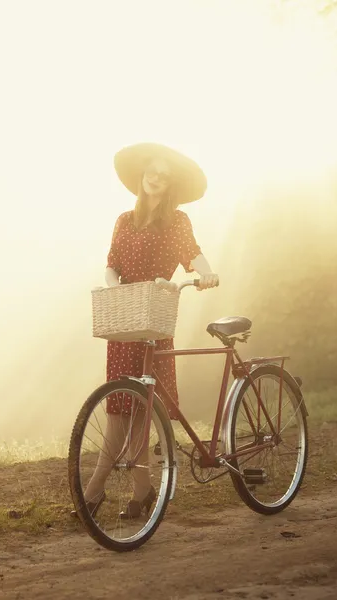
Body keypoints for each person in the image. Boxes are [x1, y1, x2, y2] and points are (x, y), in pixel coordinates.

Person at [79, 143, 219, 520]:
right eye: (150, 171)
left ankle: (92, 492)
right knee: (118, 414)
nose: (155, 177)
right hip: (125, 322)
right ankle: (142, 493)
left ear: (170, 182)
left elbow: (193, 253)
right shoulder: (124, 219)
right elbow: (111, 264)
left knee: (140, 417)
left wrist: (206, 272)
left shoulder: (177, 221)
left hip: (153, 320)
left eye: (163, 173)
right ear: (141, 177)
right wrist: (114, 287)